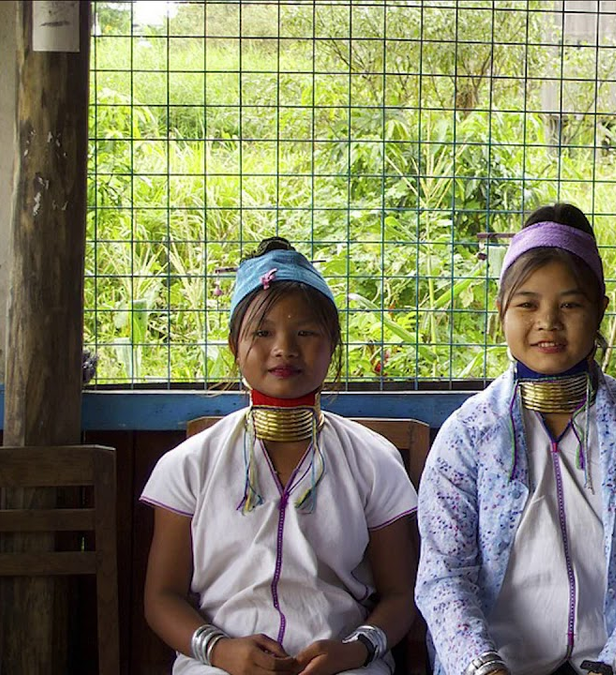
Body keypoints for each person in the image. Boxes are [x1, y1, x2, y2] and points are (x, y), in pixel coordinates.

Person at [142, 237, 419, 675]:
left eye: (306, 332)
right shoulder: (190, 465)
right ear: (235, 345)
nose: (284, 348)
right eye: (262, 332)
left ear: (332, 346)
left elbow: (401, 595)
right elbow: (162, 598)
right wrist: (220, 651)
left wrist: (356, 650)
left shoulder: (374, 461)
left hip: (346, 665)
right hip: (218, 666)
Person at [416, 204, 616, 675]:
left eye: (570, 304)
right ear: (501, 312)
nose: (548, 322)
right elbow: (444, 578)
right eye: (527, 304)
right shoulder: (469, 438)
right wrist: (483, 666)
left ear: (600, 311)